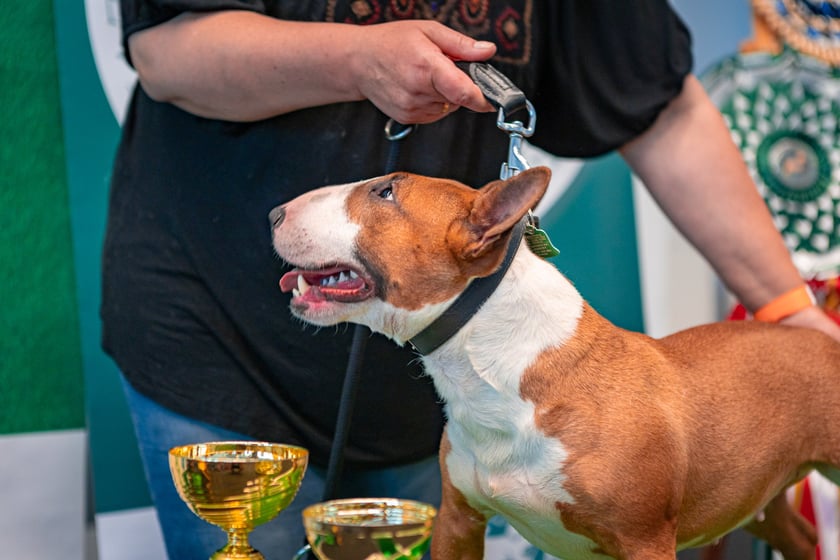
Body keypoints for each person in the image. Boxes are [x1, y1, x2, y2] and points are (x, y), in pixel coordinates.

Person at [102, 1, 840, 559]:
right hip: (217, 321)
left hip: (436, 374)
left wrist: (788, 306)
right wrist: (356, 59)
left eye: (384, 193)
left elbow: (661, 104)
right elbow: (166, 47)